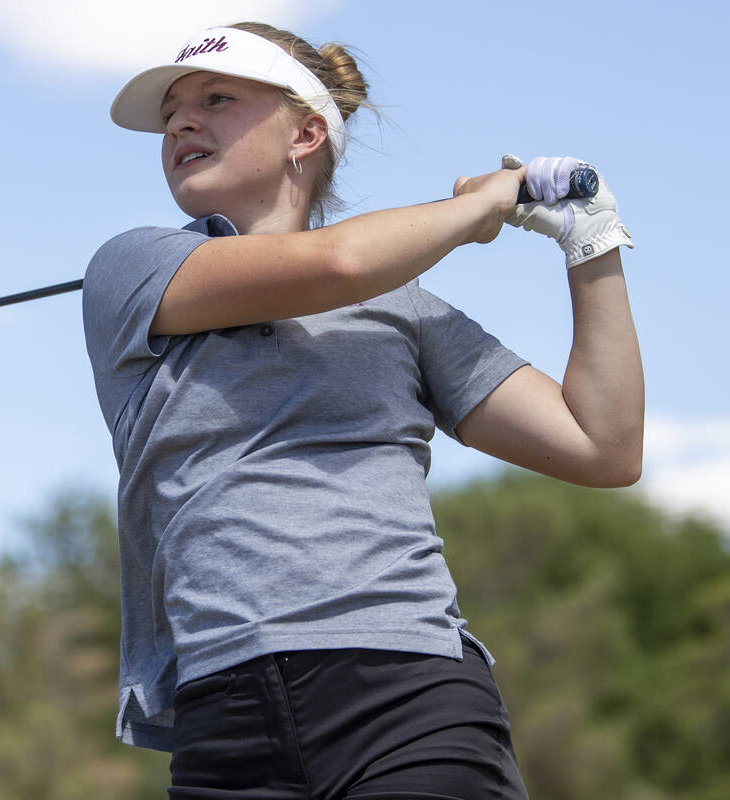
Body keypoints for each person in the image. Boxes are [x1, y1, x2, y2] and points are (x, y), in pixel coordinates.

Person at [81, 21, 641, 800]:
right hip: (222, 725)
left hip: (408, 700)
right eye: (173, 111)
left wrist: (592, 243)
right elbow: (336, 261)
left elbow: (602, 446)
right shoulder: (132, 268)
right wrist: (476, 210)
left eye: (215, 98)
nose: (181, 122)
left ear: (306, 132)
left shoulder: (403, 308)